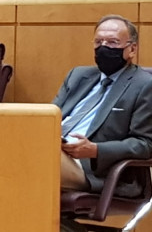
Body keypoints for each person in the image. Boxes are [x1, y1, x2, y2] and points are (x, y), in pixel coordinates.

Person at [55, 14, 152, 197]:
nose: (104, 47)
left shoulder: (144, 85)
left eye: (113, 42)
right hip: (56, 149)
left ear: (132, 49)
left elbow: (145, 144)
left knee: (33, 159)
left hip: (94, 169)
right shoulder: (78, 76)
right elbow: (49, 116)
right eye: (99, 42)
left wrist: (95, 150)